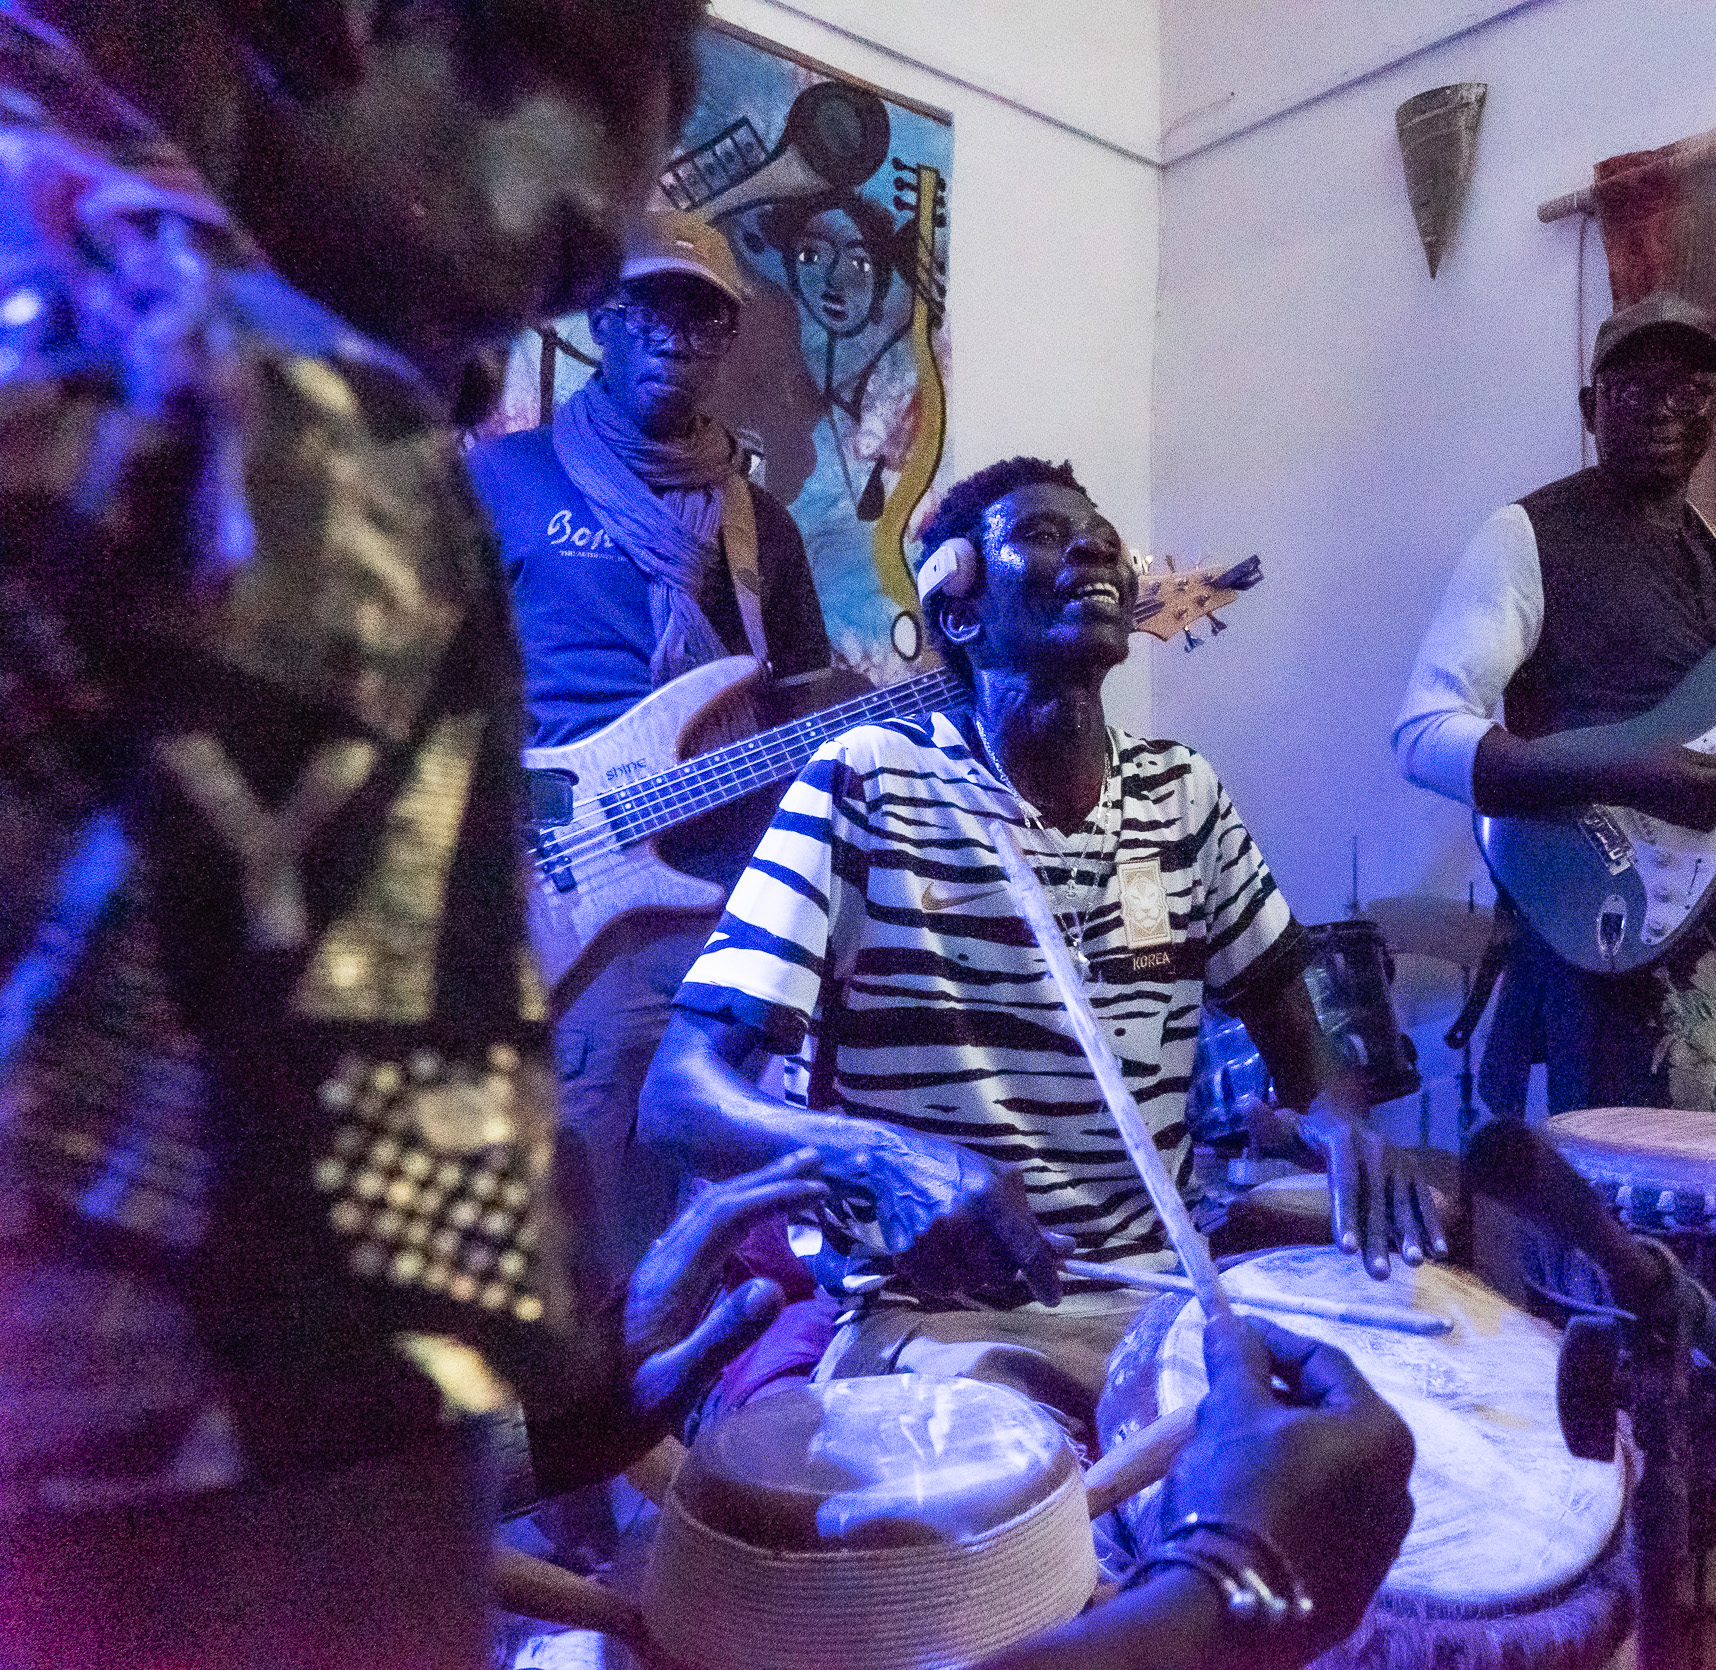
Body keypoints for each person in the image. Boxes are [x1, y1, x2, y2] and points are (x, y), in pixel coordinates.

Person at [0, 7, 1413, 1667]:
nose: (597, 244)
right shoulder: (249, 428)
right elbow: (281, 1607)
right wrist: (1238, 1589)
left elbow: (109, 1443)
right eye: (616, 91)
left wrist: (550, 1438)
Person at [641, 456, 1449, 1429]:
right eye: (1041, 535)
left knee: (1397, 1437)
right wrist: (881, 1157)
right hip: (942, 1326)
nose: (1093, 549)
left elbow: (1303, 1055)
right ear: (963, 612)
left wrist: (1344, 1122)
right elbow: (679, 1094)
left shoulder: (1180, 795)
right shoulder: (865, 784)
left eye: (1102, 535)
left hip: (1162, 1307)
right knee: (1046, 1525)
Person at [1392, 293, 1716, 1120]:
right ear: (1589, 408)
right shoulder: (1526, 534)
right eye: (1630, 388)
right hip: (1609, 929)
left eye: (1686, 388)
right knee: (1627, 1221)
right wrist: (1631, 773)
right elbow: (1424, 735)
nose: (1658, 409)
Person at [469, 209, 838, 1295]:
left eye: (703, 315)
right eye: (650, 305)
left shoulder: (760, 525)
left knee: (737, 1201)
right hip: (572, 889)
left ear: (726, 340)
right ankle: (588, 1443)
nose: (676, 334)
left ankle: (708, 1433)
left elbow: (799, 711)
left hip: (732, 898)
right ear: (604, 323)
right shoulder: (506, 480)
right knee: (585, 1194)